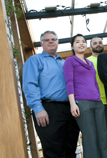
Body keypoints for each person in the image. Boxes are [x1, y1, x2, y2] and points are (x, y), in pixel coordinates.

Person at [22, 30, 79, 158]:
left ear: (58, 42)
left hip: (69, 109)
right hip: (48, 109)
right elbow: (30, 85)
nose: (51, 41)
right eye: (47, 40)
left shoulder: (65, 63)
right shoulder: (34, 60)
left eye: (53, 39)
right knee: (54, 152)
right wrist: (38, 108)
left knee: (71, 149)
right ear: (41, 44)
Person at [63, 34, 107, 158]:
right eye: (77, 42)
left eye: (83, 41)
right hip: (82, 102)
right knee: (90, 137)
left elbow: (95, 83)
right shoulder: (70, 61)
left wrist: (99, 100)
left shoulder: (90, 63)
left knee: (102, 135)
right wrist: (73, 104)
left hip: (97, 103)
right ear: (72, 46)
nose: (81, 43)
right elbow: (69, 82)